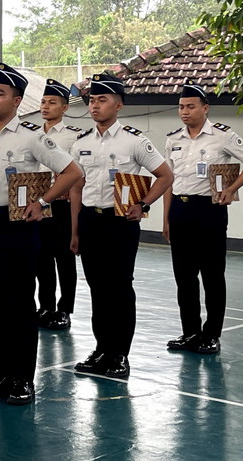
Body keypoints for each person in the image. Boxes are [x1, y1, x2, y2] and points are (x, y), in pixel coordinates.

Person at [0, 64, 82, 406]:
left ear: (16, 101)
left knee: (19, 305)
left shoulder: (32, 136)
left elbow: (72, 171)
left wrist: (42, 202)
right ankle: (2, 375)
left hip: (18, 227)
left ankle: (23, 379)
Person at [70, 73, 173, 378]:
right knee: (97, 288)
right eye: (91, 100)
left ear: (118, 105)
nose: (94, 106)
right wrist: (74, 230)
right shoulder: (82, 143)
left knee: (119, 288)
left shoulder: (134, 141)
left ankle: (119, 355)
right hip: (90, 221)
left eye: (101, 100)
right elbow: (76, 188)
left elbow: (165, 176)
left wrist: (144, 204)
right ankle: (101, 349)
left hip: (119, 224)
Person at [162, 80, 243, 355]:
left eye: (190, 106)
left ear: (205, 108)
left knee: (212, 275)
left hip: (209, 210)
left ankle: (211, 334)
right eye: (181, 107)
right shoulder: (173, 139)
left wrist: (231, 189)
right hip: (180, 210)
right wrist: (166, 218)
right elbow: (169, 181)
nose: (184, 112)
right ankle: (190, 332)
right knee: (184, 276)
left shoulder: (222, 135)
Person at [35, 78, 85, 330]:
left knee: (64, 259)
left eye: (52, 102)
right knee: (41, 258)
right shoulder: (32, 135)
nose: (45, 107)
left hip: (62, 204)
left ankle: (64, 309)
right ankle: (45, 306)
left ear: (65, 107)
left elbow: (78, 176)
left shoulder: (73, 137)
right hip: (36, 204)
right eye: (43, 102)